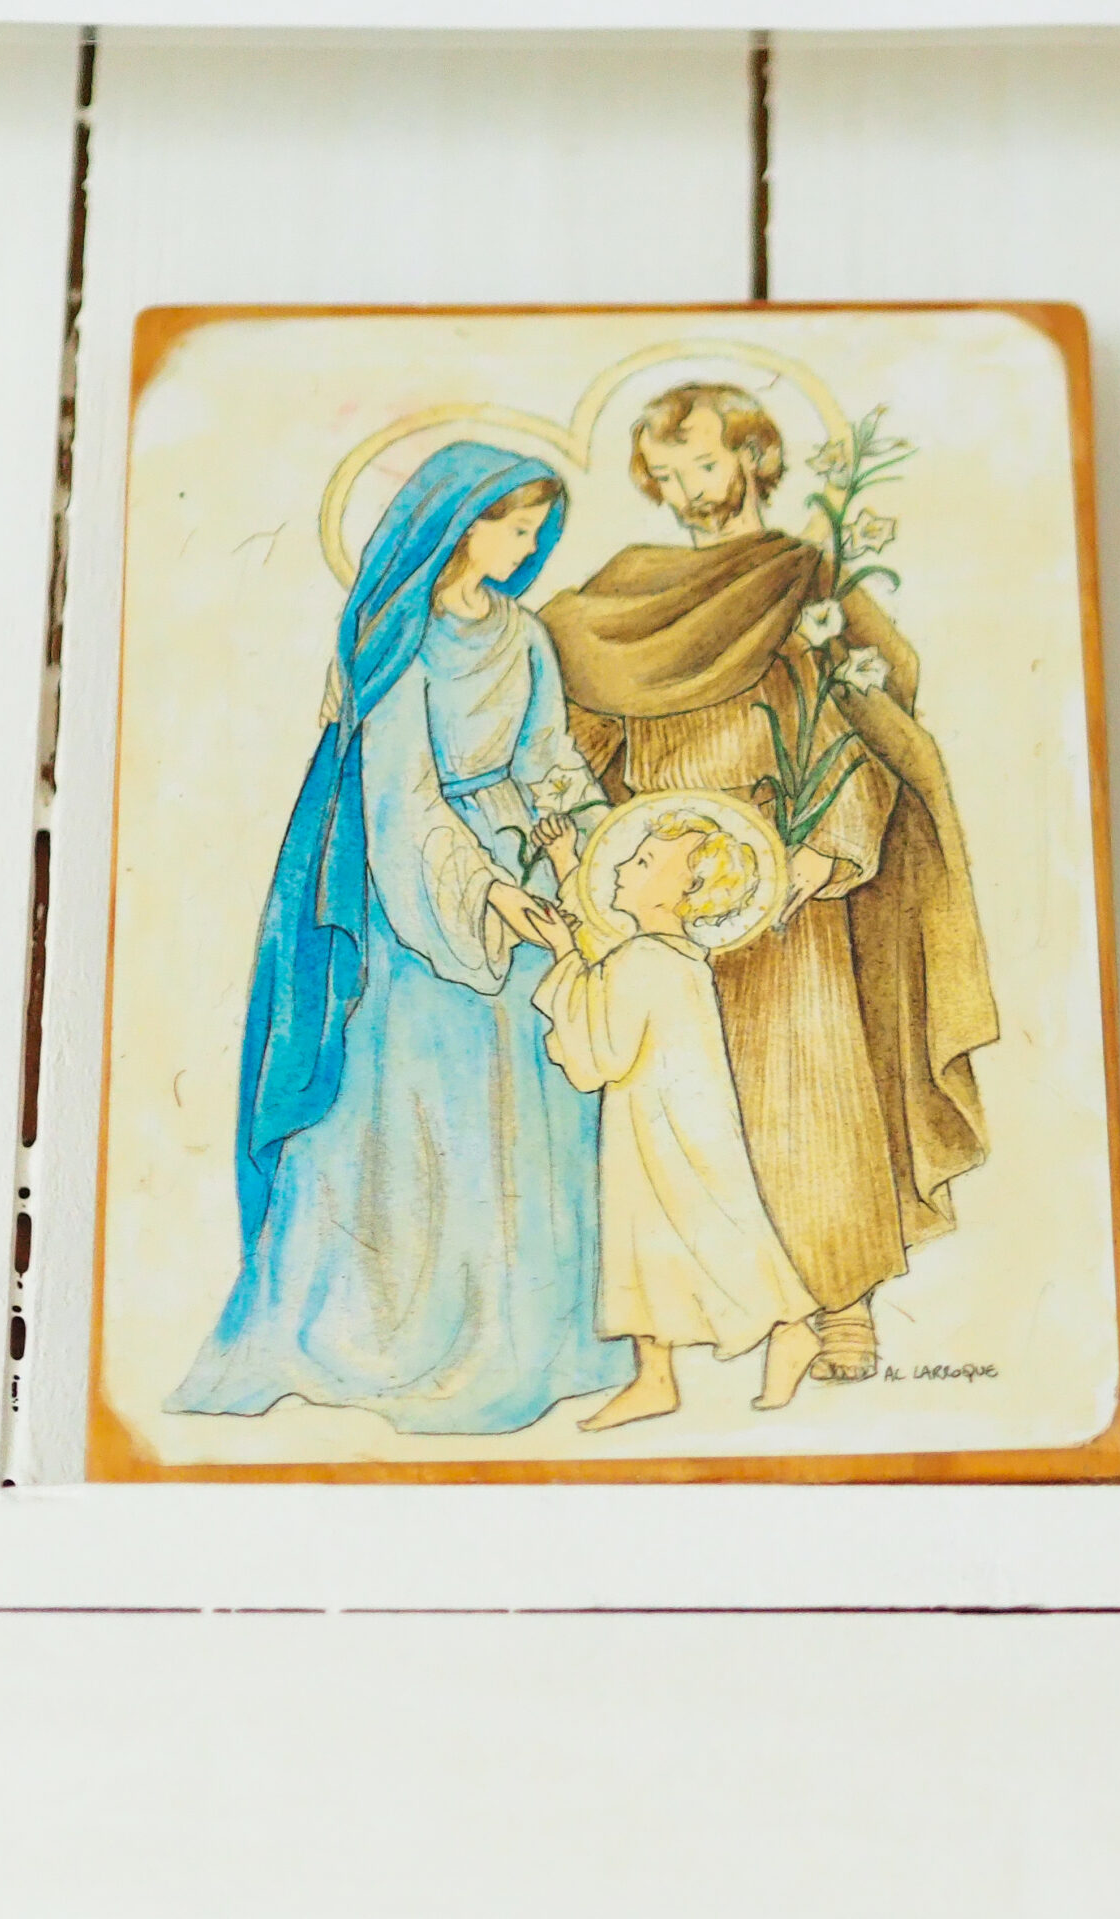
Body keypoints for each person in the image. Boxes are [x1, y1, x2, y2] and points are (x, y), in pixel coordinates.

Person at [166, 441, 630, 1434]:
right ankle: (393, 1328)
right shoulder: (402, 641)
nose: (529, 546)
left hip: (520, 871)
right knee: (422, 1107)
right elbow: (402, 794)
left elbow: (549, 757)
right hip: (423, 892)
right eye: (514, 527)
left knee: (535, 1100)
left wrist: (593, 848)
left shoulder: (525, 634)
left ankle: (533, 1329)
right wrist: (492, 893)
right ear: (460, 525)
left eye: (535, 529)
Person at [541, 382, 999, 1385]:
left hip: (786, 885)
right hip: (663, 888)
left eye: (703, 464)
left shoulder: (804, 586)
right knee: (675, 1120)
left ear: (753, 457)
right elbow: (582, 729)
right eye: (666, 475)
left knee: (811, 1098)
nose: (686, 492)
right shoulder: (624, 593)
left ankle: (842, 1310)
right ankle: (703, 1325)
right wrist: (590, 838)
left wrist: (825, 852)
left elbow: (863, 731)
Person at [530, 800, 822, 1427]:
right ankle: (657, 1376)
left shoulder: (644, 959)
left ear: (684, 891)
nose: (620, 868)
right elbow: (600, 945)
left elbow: (602, 1049)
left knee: (697, 1233)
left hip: (666, 1131)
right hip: (653, 1124)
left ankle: (791, 1327)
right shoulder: (665, 952)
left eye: (642, 863)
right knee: (649, 1238)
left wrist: (560, 953)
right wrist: (564, 860)